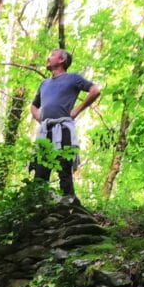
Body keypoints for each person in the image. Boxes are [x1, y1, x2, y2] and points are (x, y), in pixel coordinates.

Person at [30, 48, 100, 200]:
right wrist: (40, 118)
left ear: (61, 60)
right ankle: (37, 206)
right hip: (45, 131)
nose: (48, 57)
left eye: (52, 54)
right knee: (40, 171)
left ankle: (69, 206)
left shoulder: (73, 78)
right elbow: (34, 106)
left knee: (64, 168)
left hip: (63, 129)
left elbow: (94, 90)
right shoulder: (44, 84)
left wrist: (76, 110)